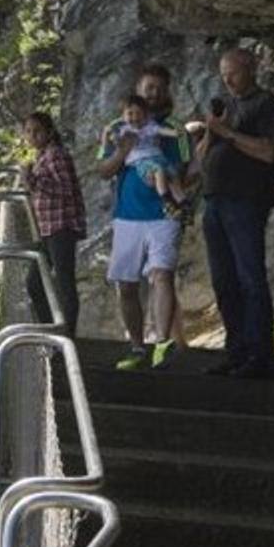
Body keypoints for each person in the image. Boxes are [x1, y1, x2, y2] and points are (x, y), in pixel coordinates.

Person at [188, 46, 274, 377]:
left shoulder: (265, 104)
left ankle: (259, 353)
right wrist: (210, 131)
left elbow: (268, 153)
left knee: (249, 277)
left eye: (233, 72)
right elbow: (202, 158)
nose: (227, 79)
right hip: (214, 200)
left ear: (251, 69)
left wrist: (227, 133)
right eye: (223, 74)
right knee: (223, 280)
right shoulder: (225, 107)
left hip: (245, 200)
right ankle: (236, 349)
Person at [93, 88, 186, 366]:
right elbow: (103, 170)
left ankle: (162, 343)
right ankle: (136, 346)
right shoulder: (116, 128)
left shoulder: (171, 128)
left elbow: (184, 168)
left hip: (163, 216)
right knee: (126, 284)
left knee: (161, 275)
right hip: (127, 217)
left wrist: (165, 178)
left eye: (159, 89)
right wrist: (123, 150)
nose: (154, 94)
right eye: (148, 89)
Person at [20, 110, 87, 333]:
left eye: (37, 131)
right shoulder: (41, 157)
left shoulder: (55, 155)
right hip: (47, 229)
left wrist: (33, 180)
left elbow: (65, 188)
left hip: (62, 227)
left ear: (49, 132)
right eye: (28, 131)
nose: (33, 136)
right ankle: (51, 331)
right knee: (34, 283)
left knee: (64, 281)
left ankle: (67, 336)